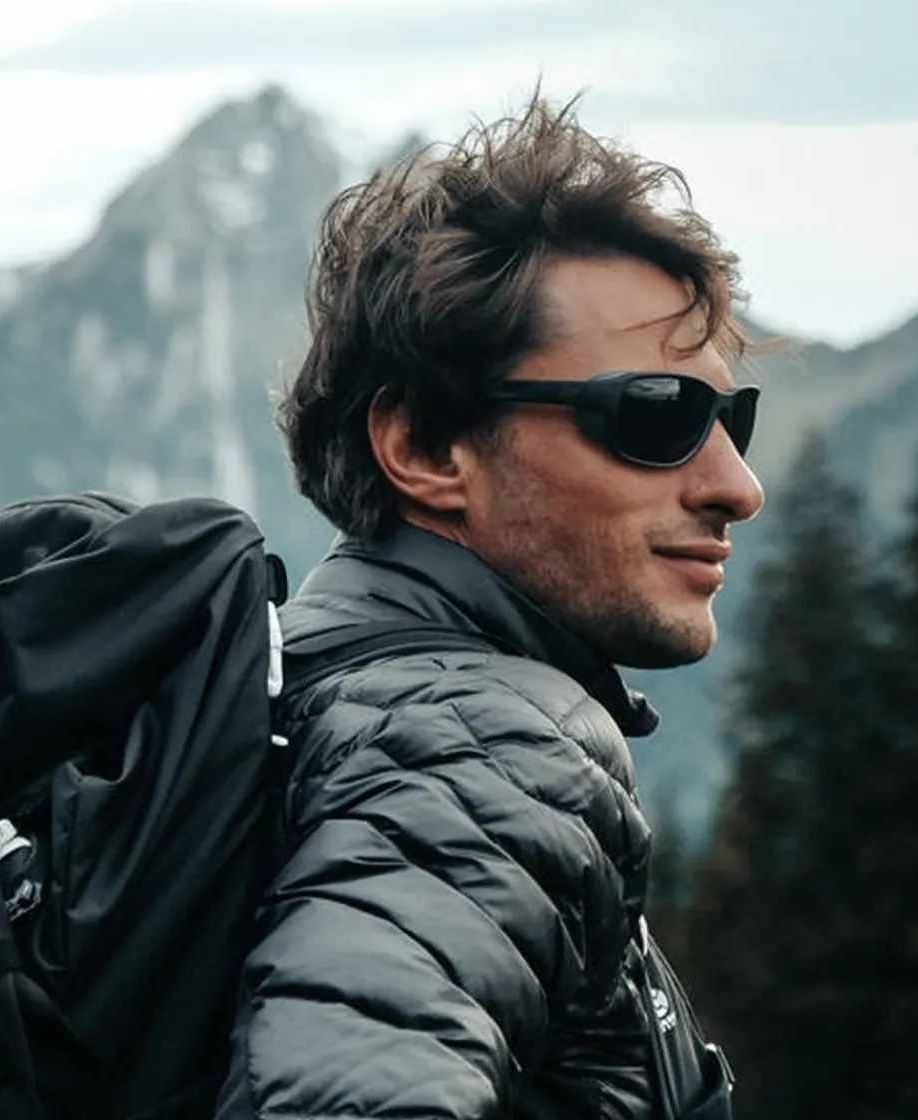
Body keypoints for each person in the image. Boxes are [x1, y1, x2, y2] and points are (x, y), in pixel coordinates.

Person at [213, 94, 765, 1118]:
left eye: (734, 418)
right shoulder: (479, 746)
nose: (737, 485)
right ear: (425, 448)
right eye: (658, 414)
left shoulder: (317, 696)